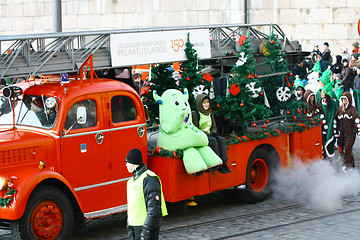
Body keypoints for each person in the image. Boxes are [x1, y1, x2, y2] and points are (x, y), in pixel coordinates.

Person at [125, 148, 167, 240]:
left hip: (146, 227)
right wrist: (129, 226)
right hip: (135, 227)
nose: (126, 165)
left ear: (133, 163)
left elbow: (154, 208)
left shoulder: (149, 179)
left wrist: (146, 230)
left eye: (127, 162)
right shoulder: (131, 181)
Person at [192, 94, 231, 174]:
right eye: (204, 103)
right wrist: (210, 135)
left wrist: (213, 132)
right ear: (200, 103)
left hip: (210, 134)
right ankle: (217, 163)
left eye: (208, 102)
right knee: (213, 141)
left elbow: (214, 126)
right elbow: (196, 128)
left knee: (221, 139)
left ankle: (224, 163)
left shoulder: (209, 113)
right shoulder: (195, 114)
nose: (206, 104)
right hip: (201, 136)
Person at [334, 92, 360, 173]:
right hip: (342, 132)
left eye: (345, 99)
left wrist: (358, 129)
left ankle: (347, 165)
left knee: (348, 148)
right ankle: (351, 165)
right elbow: (335, 119)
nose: (344, 100)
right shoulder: (340, 109)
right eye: (343, 99)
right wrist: (335, 130)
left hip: (350, 133)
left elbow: (357, 120)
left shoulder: (352, 109)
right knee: (344, 148)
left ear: (349, 99)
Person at [319, 83, 338, 159]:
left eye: (324, 92)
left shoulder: (332, 103)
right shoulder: (320, 103)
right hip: (323, 125)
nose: (322, 94)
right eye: (321, 92)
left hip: (330, 124)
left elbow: (334, 113)